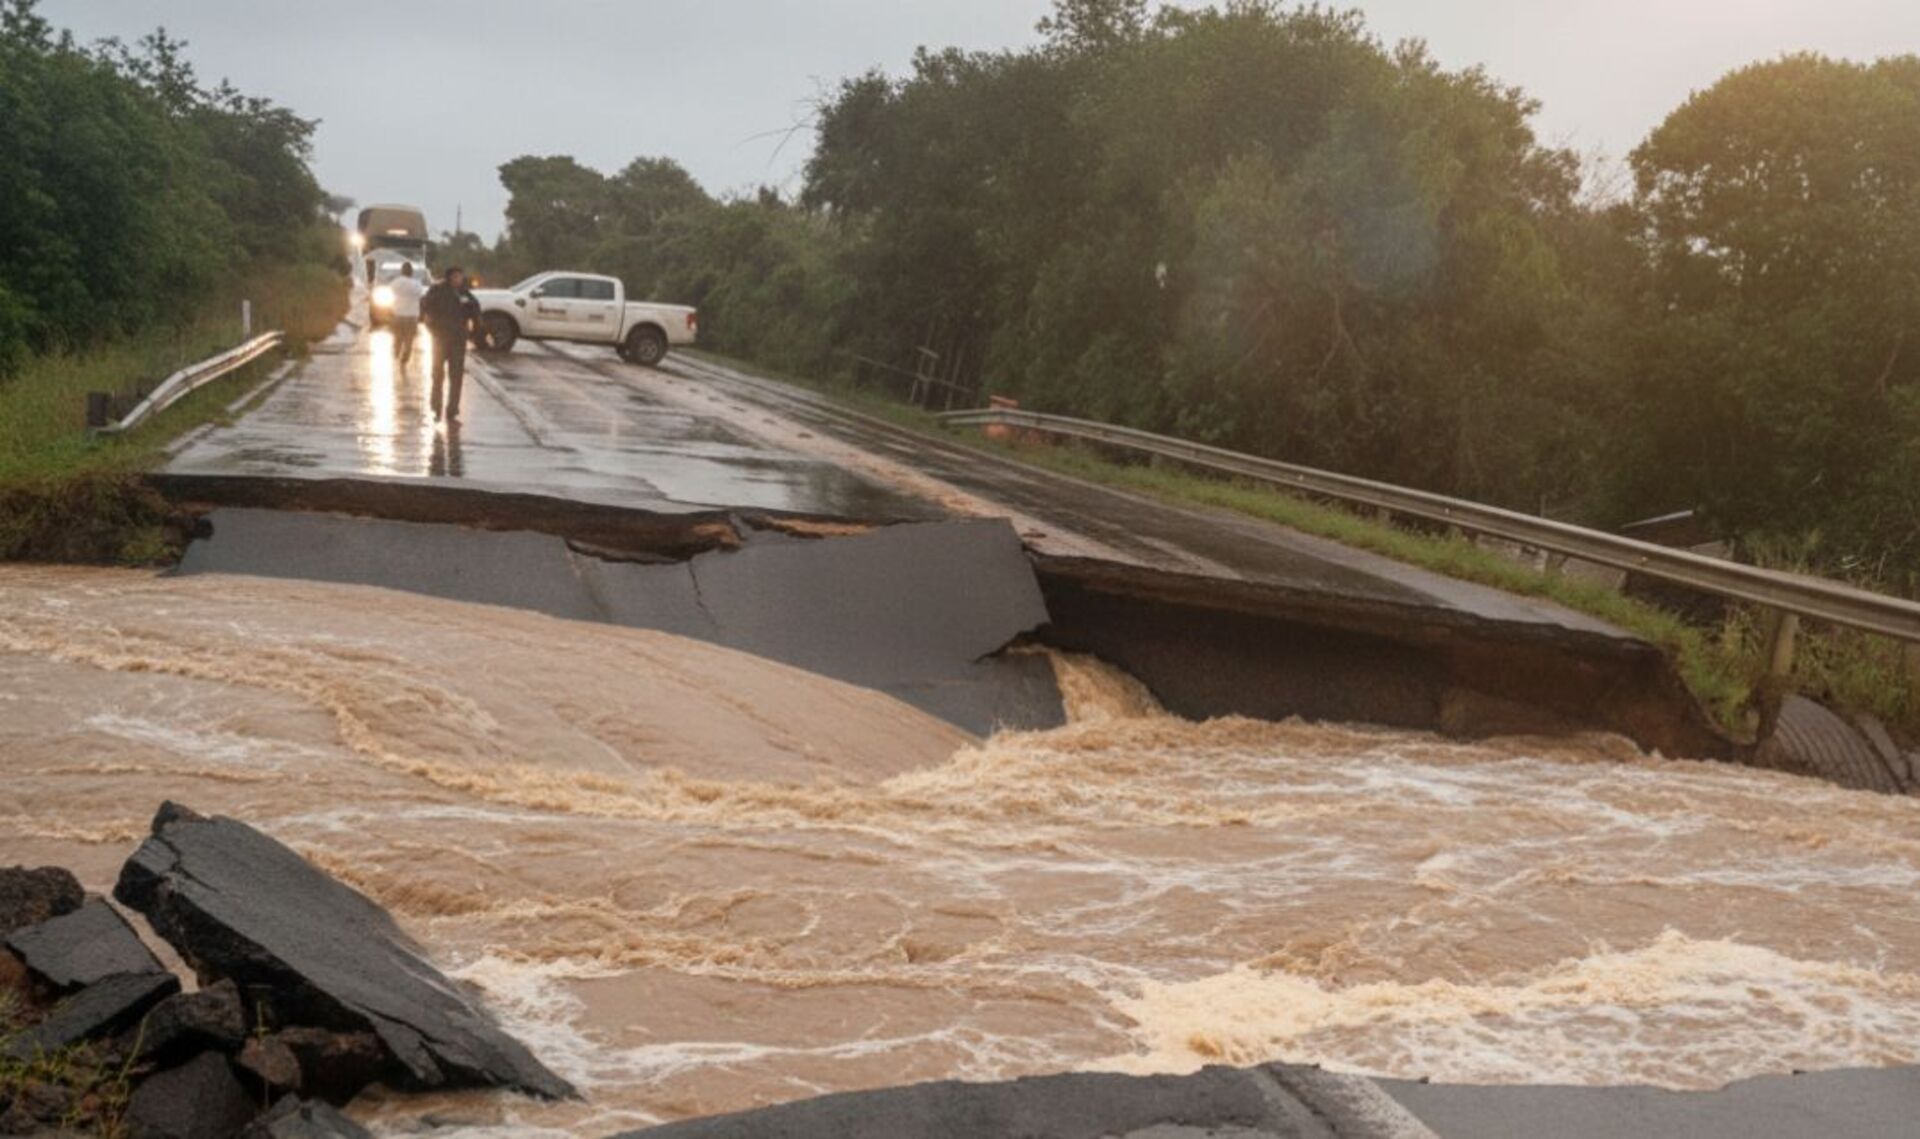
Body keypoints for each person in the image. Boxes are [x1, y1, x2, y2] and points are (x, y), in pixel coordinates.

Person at [421, 266, 479, 421]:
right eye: (455, 276)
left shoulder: (464, 293)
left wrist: (473, 332)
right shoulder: (437, 291)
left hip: (458, 341)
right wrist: (432, 327)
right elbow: (425, 307)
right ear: (449, 277)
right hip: (440, 339)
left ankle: (452, 409)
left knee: (456, 376)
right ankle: (436, 406)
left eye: (460, 276)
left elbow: (475, 311)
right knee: (437, 375)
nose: (458, 279)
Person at [388, 262, 425, 369]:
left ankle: (396, 352)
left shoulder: (395, 282)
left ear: (402, 271)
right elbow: (421, 295)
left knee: (397, 336)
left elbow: (390, 292)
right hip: (412, 315)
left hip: (398, 314)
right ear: (411, 272)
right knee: (409, 338)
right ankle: (405, 357)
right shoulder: (416, 284)